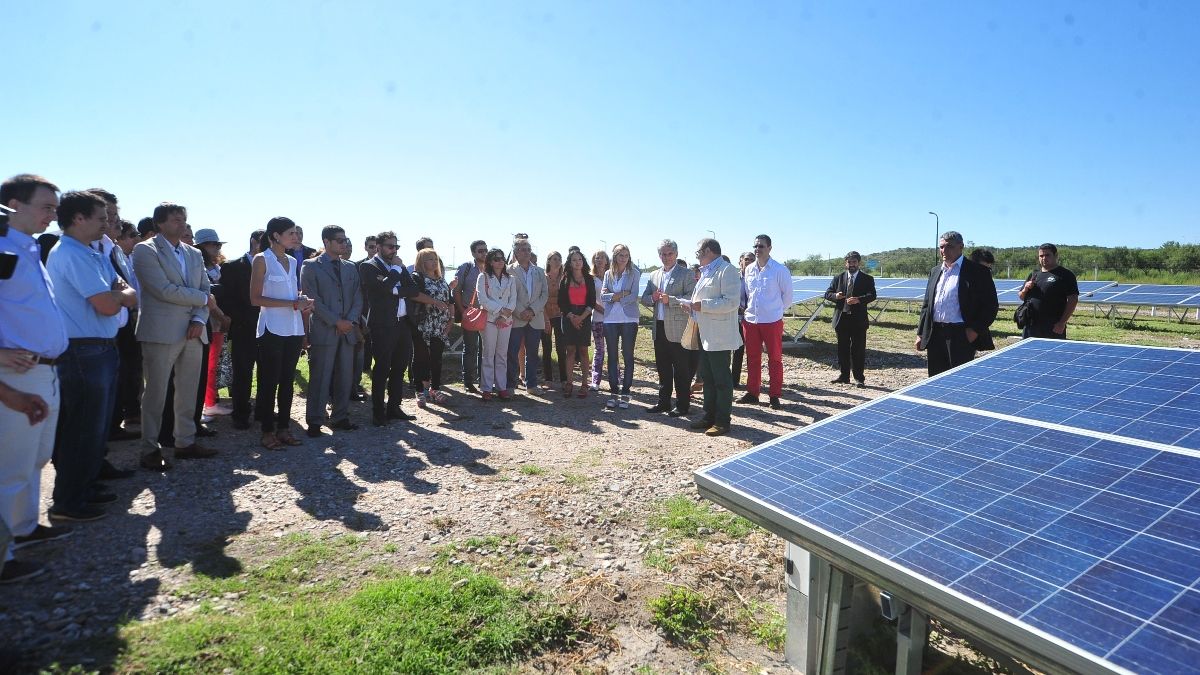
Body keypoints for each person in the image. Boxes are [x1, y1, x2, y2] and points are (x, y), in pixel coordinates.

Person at [45, 191, 138, 521]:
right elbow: (110, 301)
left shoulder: (89, 251)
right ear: (78, 218)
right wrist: (123, 294)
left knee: (94, 428)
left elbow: (118, 286)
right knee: (82, 429)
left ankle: (84, 487)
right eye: (101, 218)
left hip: (98, 347)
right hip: (83, 350)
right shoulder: (71, 253)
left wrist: (121, 292)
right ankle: (68, 502)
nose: (107, 223)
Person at [1, 175, 72, 582]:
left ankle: (24, 528)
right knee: (10, 464)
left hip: (45, 369)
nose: (53, 215)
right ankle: (3, 554)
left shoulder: (28, 249)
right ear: (13, 204)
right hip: (17, 373)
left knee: (35, 457)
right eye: (46, 207)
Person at [132, 202, 216, 471]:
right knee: (156, 392)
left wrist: (198, 318)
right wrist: (203, 299)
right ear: (160, 223)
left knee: (189, 390)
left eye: (184, 219)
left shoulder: (193, 253)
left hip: (193, 330)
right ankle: (150, 448)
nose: (182, 224)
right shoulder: (145, 250)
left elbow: (205, 287)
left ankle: (185, 442)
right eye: (176, 220)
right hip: (161, 331)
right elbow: (162, 290)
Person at [250, 217, 313, 449]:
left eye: (296, 232)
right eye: (291, 233)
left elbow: (290, 293)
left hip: (293, 327)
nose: (296, 237)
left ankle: (284, 428)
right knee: (269, 381)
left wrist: (302, 301)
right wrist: (291, 303)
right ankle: (267, 431)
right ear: (276, 235)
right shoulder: (261, 259)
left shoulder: (292, 260)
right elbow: (255, 298)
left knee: (287, 381)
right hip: (272, 328)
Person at [363, 231, 437, 425]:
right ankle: (378, 412)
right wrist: (395, 271)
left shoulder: (399, 267)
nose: (394, 250)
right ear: (378, 247)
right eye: (390, 246)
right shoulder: (368, 266)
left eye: (396, 246)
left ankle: (394, 408)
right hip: (382, 325)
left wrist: (394, 289)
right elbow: (382, 288)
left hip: (403, 324)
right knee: (381, 368)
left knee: (399, 368)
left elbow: (413, 290)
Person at [300, 226, 363, 437]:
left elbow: (358, 297)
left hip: (347, 331)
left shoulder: (350, 267)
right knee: (320, 376)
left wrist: (350, 321)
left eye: (345, 240)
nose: (344, 244)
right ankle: (315, 420)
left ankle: (340, 417)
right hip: (324, 330)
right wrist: (336, 321)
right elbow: (311, 298)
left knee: (345, 376)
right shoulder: (310, 266)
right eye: (339, 240)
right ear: (326, 242)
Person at [680, 238, 742, 436]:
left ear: (708, 250)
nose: (696, 255)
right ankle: (709, 416)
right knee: (707, 377)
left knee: (722, 379)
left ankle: (723, 421)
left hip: (720, 336)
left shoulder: (727, 270)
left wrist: (701, 305)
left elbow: (731, 302)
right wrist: (691, 308)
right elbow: (702, 302)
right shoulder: (706, 271)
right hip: (704, 333)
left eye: (698, 251)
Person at [915, 231, 999, 377]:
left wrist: (974, 330)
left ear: (961, 247)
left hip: (961, 335)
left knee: (958, 380)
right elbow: (927, 306)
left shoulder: (977, 272)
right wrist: (921, 333)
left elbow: (990, 306)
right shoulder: (935, 271)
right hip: (935, 334)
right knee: (936, 380)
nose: (944, 251)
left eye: (949, 247)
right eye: (941, 247)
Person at [640, 239, 696, 417]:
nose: (666, 257)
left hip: (678, 329)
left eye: (669, 253)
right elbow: (644, 298)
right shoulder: (654, 275)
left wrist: (669, 300)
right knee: (663, 368)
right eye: (663, 254)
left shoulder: (686, 274)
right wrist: (653, 298)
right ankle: (663, 402)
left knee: (681, 369)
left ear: (676, 254)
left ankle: (682, 405)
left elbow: (691, 298)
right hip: (659, 327)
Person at [737, 234, 793, 409]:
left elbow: (788, 297)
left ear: (769, 248)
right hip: (751, 321)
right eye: (755, 246)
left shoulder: (779, 270)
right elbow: (748, 293)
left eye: (761, 246)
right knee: (752, 357)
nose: (757, 249)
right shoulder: (749, 269)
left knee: (774, 359)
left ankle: (774, 395)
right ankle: (753, 392)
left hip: (772, 321)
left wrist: (775, 312)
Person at [216, 230, 262, 429]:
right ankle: (240, 414)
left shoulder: (274, 265)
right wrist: (241, 321)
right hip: (244, 328)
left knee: (267, 373)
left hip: (267, 328)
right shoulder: (232, 267)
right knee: (243, 373)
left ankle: (263, 411)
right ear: (254, 242)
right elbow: (227, 299)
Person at [825, 251, 877, 388]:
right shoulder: (838, 278)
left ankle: (859, 378)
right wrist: (835, 296)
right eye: (849, 262)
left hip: (858, 321)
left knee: (858, 350)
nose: (851, 264)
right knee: (842, 349)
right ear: (845, 263)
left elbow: (872, 295)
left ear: (858, 263)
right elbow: (827, 293)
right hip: (841, 319)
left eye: (854, 262)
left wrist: (858, 300)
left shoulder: (867, 278)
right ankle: (844, 376)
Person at [195, 228, 231, 418]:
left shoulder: (216, 268)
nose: (217, 248)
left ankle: (210, 400)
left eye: (218, 244)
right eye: (213, 244)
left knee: (213, 363)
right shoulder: (200, 268)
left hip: (217, 322)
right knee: (208, 364)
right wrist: (221, 316)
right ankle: (208, 404)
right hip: (209, 320)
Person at [411, 247, 454, 407]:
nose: (434, 262)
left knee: (436, 358)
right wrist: (434, 301)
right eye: (429, 259)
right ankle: (419, 390)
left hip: (440, 324)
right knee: (421, 357)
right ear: (422, 262)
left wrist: (451, 320)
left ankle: (435, 388)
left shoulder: (441, 280)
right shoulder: (417, 277)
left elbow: (450, 302)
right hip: (423, 324)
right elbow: (414, 295)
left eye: (435, 258)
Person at [601, 244, 641, 410]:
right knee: (612, 355)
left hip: (629, 318)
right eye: (620, 255)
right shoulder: (607, 273)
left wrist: (618, 297)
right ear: (615, 256)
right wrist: (619, 295)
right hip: (610, 319)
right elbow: (603, 296)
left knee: (628, 354)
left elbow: (634, 295)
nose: (623, 258)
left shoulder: (634, 273)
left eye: (626, 255)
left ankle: (626, 391)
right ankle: (613, 391)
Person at [507, 238, 548, 394]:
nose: (526, 251)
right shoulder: (509, 270)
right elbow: (508, 295)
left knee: (532, 354)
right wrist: (520, 311)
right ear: (516, 252)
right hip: (516, 318)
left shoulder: (539, 271)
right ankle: (510, 385)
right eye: (523, 248)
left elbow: (544, 294)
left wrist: (532, 310)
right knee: (512, 352)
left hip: (535, 318)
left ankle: (531, 385)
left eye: (528, 248)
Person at [477, 248, 516, 400]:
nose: (500, 261)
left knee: (502, 355)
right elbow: (483, 300)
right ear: (490, 262)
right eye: (496, 259)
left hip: (506, 320)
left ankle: (502, 387)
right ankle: (486, 388)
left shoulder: (511, 279)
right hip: (489, 320)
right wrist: (500, 311)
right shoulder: (483, 277)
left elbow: (513, 300)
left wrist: (505, 315)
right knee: (488, 354)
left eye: (502, 258)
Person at [1018, 243, 1079, 340]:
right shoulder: (1034, 274)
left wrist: (1062, 323)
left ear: (1056, 256)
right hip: (1031, 324)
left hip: (1053, 326)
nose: (1044, 258)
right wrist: (1025, 289)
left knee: (1052, 354)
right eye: (1041, 256)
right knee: (1030, 353)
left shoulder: (1065, 275)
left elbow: (1073, 299)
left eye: (1047, 255)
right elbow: (1021, 296)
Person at [558, 249, 596, 398]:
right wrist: (572, 317)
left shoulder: (589, 279)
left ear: (583, 261)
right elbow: (561, 302)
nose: (577, 262)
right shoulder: (565, 279)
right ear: (570, 263)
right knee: (570, 350)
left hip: (585, 316)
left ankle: (585, 384)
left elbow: (592, 302)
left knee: (583, 351)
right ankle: (569, 382)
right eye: (574, 260)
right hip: (568, 317)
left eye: (579, 259)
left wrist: (581, 318)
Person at [454, 240, 488, 394]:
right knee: (470, 348)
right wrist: (462, 312)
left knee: (486, 349)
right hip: (471, 313)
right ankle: (468, 381)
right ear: (473, 253)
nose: (484, 253)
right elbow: (456, 291)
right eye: (480, 251)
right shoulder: (466, 268)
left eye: (485, 250)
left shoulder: (491, 268)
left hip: (488, 314)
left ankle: (484, 380)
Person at [352, 235, 379, 400]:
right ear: (365, 248)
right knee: (361, 346)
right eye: (371, 247)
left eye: (376, 246)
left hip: (379, 311)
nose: (374, 249)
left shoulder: (387, 265)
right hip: (362, 311)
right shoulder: (357, 266)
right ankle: (357, 381)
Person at [541, 250, 567, 388]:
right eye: (554, 258)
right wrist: (545, 318)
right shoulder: (543, 277)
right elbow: (541, 298)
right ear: (549, 261)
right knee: (546, 347)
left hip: (561, 315)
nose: (557, 261)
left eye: (559, 258)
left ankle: (564, 378)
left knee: (561, 348)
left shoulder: (565, 277)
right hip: (545, 314)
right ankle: (548, 378)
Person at [731, 252, 753, 389]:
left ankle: (753, 382)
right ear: (740, 261)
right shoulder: (733, 278)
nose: (749, 261)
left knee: (751, 351)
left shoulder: (756, 277)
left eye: (752, 259)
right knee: (736, 350)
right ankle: (733, 380)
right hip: (734, 318)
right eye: (746, 259)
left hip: (751, 319)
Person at [589, 249, 610, 393]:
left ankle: (616, 380)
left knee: (613, 350)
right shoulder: (591, 278)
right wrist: (602, 310)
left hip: (612, 320)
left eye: (602, 257)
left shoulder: (612, 276)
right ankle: (595, 380)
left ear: (607, 260)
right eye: (597, 257)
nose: (600, 260)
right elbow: (590, 299)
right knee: (599, 350)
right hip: (597, 318)